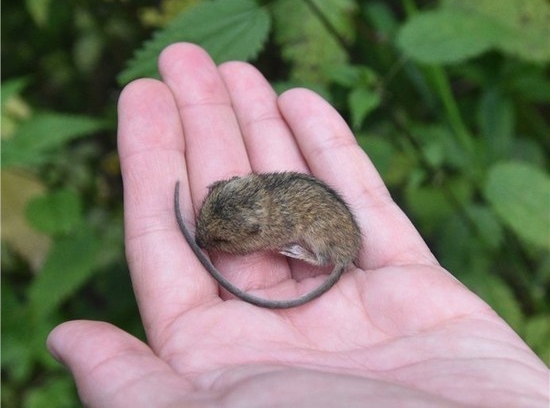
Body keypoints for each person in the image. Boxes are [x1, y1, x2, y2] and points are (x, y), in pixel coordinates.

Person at [47, 43, 549, 407]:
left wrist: (307, 255)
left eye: (220, 241)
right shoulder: (242, 205)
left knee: (313, 243)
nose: (210, 243)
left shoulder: (265, 229)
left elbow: (268, 236)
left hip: (330, 245)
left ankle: (319, 258)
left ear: (249, 235)